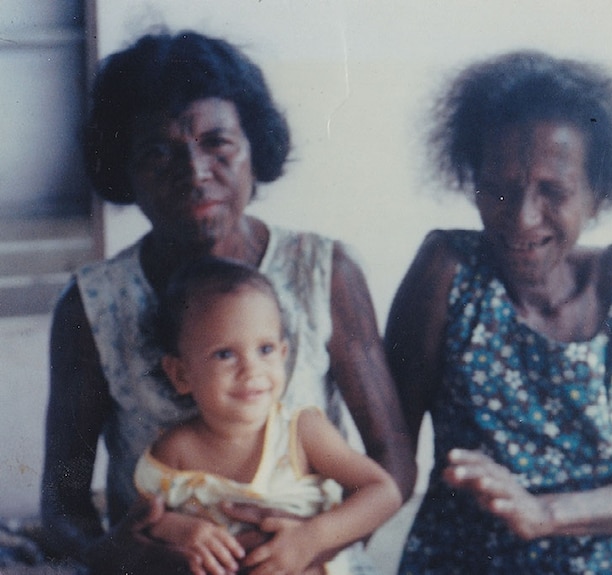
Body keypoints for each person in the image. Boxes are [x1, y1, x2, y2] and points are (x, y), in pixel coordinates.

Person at [40, 30, 414, 573]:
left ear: (254, 149)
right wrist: (124, 554)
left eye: (217, 144)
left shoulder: (324, 274)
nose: (194, 173)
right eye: (157, 153)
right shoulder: (92, 306)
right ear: (124, 170)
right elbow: (61, 506)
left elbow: (393, 463)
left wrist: (310, 545)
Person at [385, 50, 612, 574]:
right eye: (499, 189)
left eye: (553, 191)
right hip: (477, 557)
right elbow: (388, 445)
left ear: (598, 196)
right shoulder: (447, 272)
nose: (522, 217)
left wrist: (545, 513)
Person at [134, 257, 402, 575]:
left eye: (265, 349)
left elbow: (384, 491)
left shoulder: (302, 432)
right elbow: (142, 519)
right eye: (225, 354)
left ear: (284, 354)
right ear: (181, 374)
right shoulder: (176, 450)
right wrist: (181, 530)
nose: (252, 369)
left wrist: (311, 539)